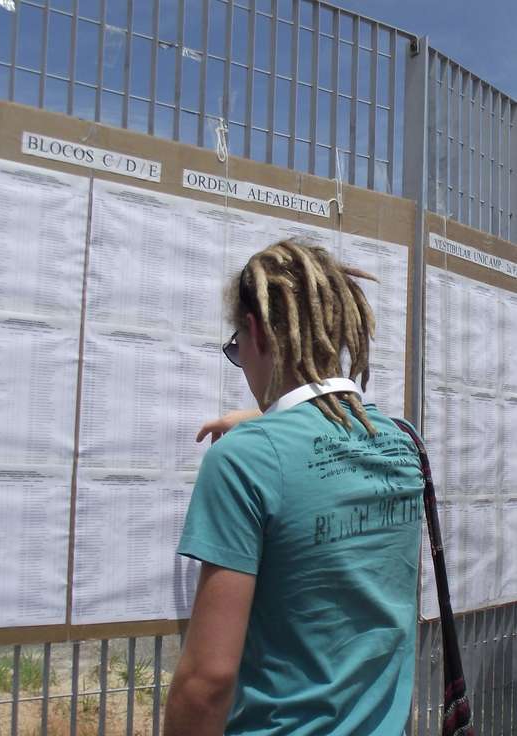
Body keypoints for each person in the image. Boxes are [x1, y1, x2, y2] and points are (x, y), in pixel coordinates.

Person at [163, 241, 424, 736]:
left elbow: (208, 681)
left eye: (237, 345)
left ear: (255, 330)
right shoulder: (404, 442)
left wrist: (257, 435)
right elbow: (327, 441)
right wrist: (262, 423)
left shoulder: (244, 462)